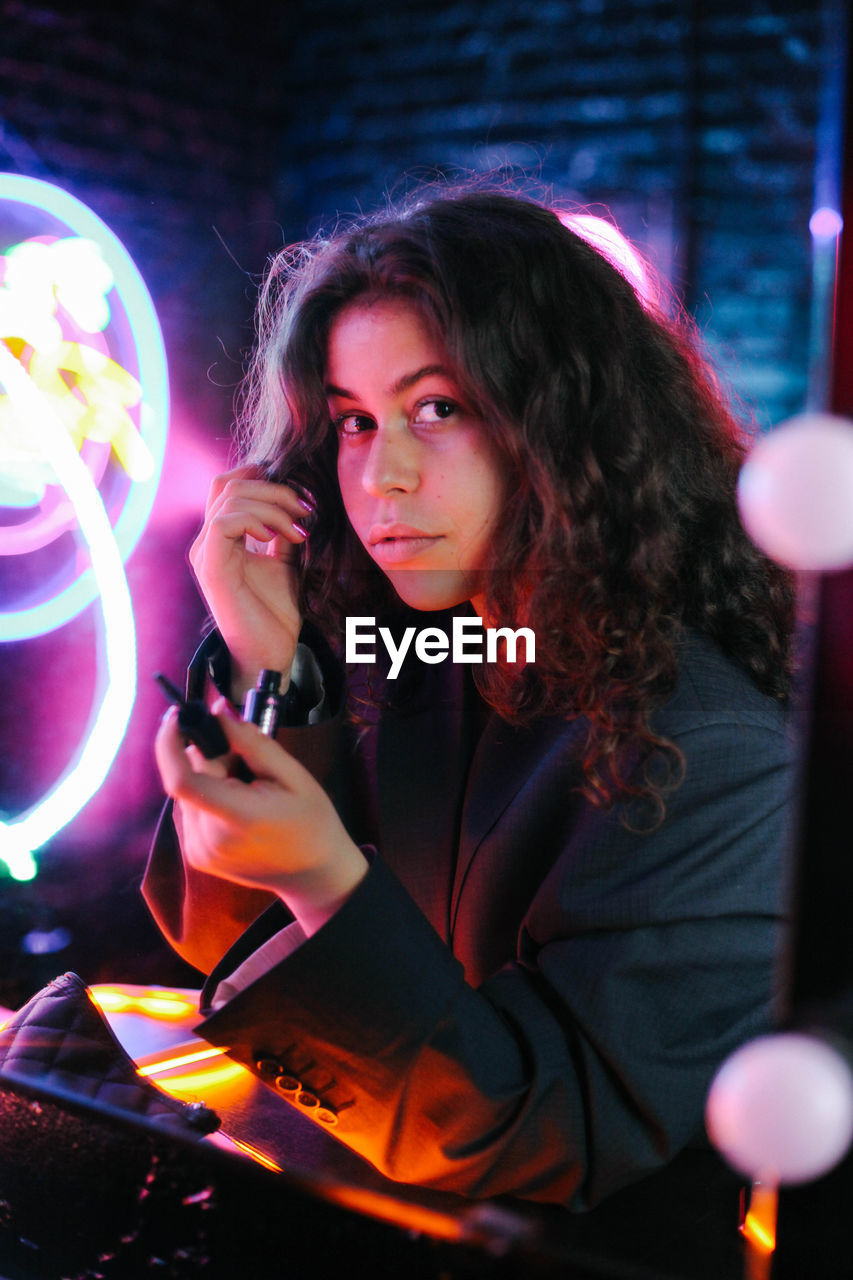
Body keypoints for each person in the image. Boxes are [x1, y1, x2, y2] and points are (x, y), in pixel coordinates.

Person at [144, 185, 797, 1213]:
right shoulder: (413, 652)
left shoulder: (714, 745)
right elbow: (218, 932)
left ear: (564, 423)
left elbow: (557, 1134)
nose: (381, 477)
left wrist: (326, 881)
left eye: (436, 408)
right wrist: (273, 664)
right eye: (354, 420)